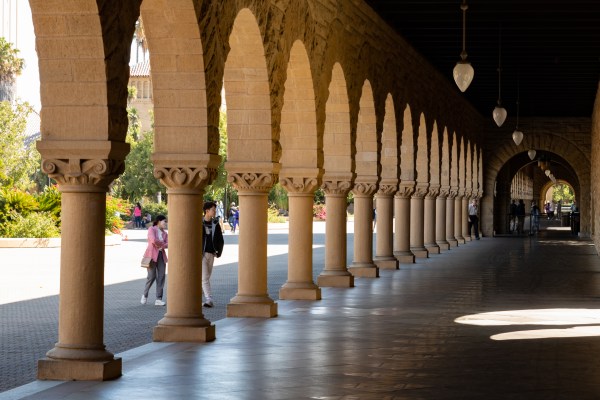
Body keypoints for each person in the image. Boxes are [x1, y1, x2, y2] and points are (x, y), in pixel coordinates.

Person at [141, 215, 168, 306]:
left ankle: (158, 299)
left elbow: (168, 244)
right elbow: (153, 240)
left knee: (161, 276)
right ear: (159, 221)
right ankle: (145, 295)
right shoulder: (152, 229)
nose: (165, 223)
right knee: (151, 276)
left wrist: (161, 245)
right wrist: (162, 244)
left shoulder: (165, 233)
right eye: (164, 221)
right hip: (151, 255)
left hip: (161, 255)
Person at [202, 201, 224, 308]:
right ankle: (209, 299)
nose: (215, 212)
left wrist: (218, 251)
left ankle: (200, 296)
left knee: (206, 277)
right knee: (205, 277)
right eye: (213, 210)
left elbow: (220, 239)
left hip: (211, 253)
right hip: (201, 254)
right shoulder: (199, 223)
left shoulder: (215, 223)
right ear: (207, 211)